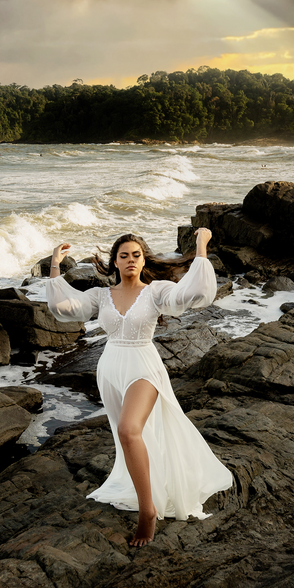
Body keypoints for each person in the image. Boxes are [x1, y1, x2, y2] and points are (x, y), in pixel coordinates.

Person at [45, 228, 233, 546]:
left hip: (143, 367)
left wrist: (201, 246)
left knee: (129, 430)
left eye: (136, 255)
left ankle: (147, 511)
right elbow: (64, 308)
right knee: (134, 438)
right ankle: (149, 490)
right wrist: (54, 265)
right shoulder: (100, 296)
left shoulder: (155, 291)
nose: (130, 260)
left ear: (143, 260)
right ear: (114, 263)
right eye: (123, 256)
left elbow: (194, 294)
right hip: (110, 370)